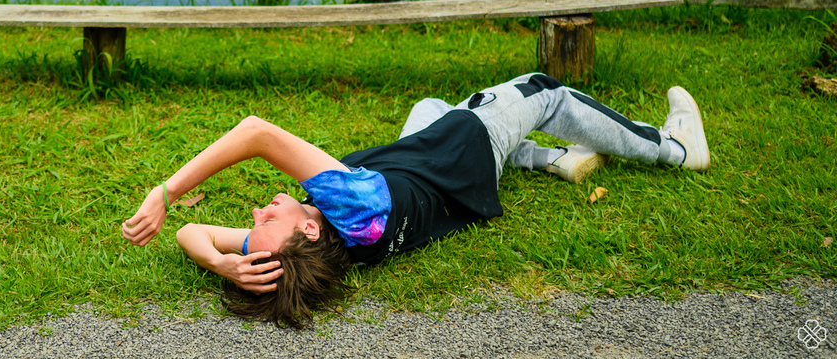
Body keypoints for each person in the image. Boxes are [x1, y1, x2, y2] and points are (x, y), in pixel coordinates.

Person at [121, 73, 710, 328]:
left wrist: (220, 260)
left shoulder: (321, 246)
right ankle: (677, 149)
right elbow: (256, 132)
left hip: (432, 169)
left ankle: (548, 158)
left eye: (255, 228)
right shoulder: (352, 210)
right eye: (267, 220)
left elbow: (189, 233)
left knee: (428, 109)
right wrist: (166, 189)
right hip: (470, 146)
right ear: (307, 232)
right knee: (544, 93)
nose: (257, 214)